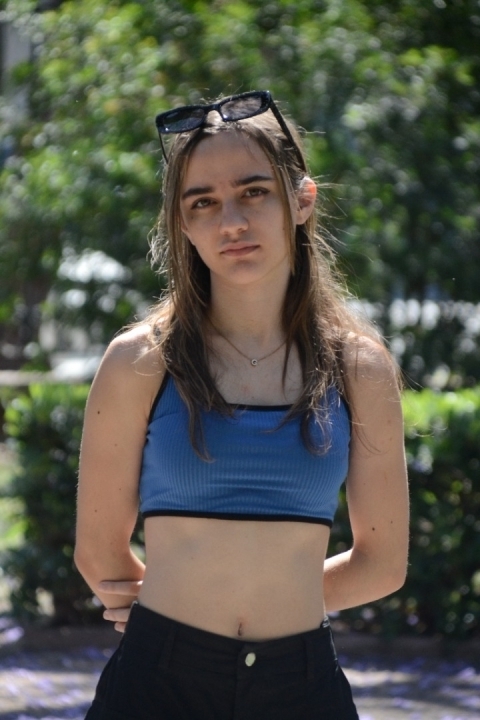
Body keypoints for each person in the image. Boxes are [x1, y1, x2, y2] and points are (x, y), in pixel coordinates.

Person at [75, 90, 409, 720]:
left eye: (254, 192)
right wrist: (176, 605)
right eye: (202, 202)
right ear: (183, 225)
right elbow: (97, 553)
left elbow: (382, 563)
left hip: (302, 685)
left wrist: (276, 599)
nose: (231, 222)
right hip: (155, 685)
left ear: (301, 201)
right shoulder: (139, 361)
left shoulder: (360, 369)